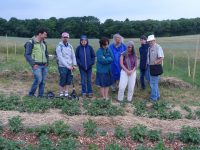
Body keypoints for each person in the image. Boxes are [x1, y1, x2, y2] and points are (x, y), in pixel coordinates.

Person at [24, 28, 49, 97]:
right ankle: (31, 94)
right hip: (36, 65)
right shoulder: (30, 42)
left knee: (43, 81)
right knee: (38, 79)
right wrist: (33, 64)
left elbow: (46, 53)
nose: (46, 36)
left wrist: (47, 62)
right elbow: (27, 54)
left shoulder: (44, 43)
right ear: (40, 34)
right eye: (45, 35)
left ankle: (40, 96)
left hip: (44, 65)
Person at [55, 32, 77, 97]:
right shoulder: (59, 46)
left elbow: (73, 55)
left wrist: (74, 64)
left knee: (68, 79)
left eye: (67, 37)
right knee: (63, 79)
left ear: (68, 38)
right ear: (61, 38)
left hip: (70, 66)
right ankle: (61, 92)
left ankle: (66, 92)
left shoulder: (70, 46)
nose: (65, 38)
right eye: (64, 37)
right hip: (62, 66)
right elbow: (60, 58)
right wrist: (67, 66)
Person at [147, 34, 164, 101]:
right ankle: (157, 95)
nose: (150, 42)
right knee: (154, 83)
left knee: (153, 83)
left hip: (155, 67)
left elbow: (161, 57)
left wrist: (155, 63)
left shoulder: (158, 47)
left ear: (154, 40)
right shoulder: (149, 48)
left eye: (151, 41)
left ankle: (153, 98)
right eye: (149, 41)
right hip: (150, 67)